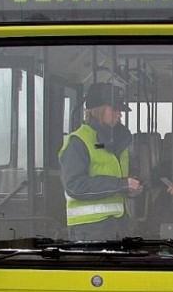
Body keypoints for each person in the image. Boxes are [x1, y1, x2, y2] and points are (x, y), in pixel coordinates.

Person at [58, 83, 142, 240]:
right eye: (114, 109)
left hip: (118, 226)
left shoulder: (119, 141)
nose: (119, 115)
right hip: (89, 231)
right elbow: (75, 186)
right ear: (98, 110)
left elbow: (122, 178)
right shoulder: (78, 141)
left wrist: (132, 188)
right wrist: (121, 184)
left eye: (120, 110)